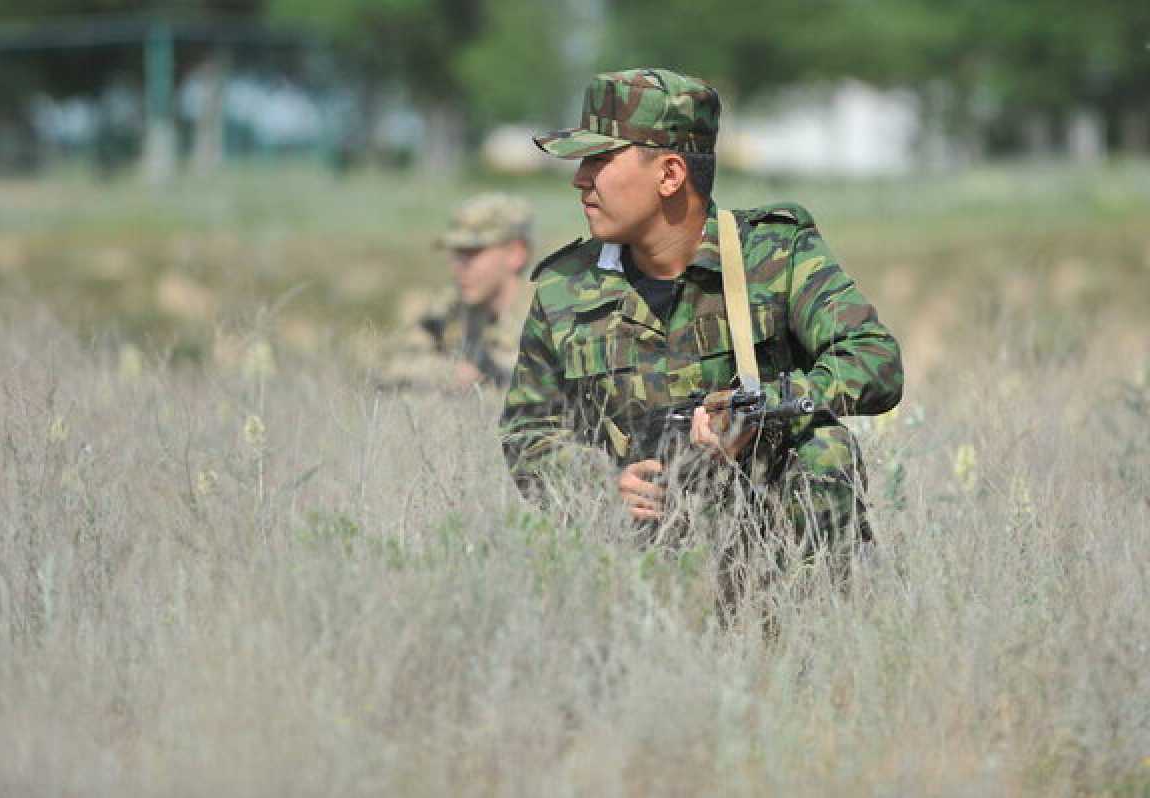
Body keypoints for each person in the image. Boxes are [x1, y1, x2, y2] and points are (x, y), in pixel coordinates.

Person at [499, 68, 903, 609]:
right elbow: (529, 430)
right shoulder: (564, 287)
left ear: (669, 174)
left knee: (825, 449)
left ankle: (818, 632)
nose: (580, 179)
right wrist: (602, 486)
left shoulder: (773, 256)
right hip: (631, 556)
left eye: (599, 160)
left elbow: (875, 361)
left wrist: (758, 412)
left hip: (765, 536)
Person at [378, 193, 534, 392]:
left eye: (472, 253)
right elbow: (390, 367)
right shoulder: (449, 308)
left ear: (516, 254)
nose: (459, 266)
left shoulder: (548, 312)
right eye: (456, 253)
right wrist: (448, 372)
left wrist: (487, 373)